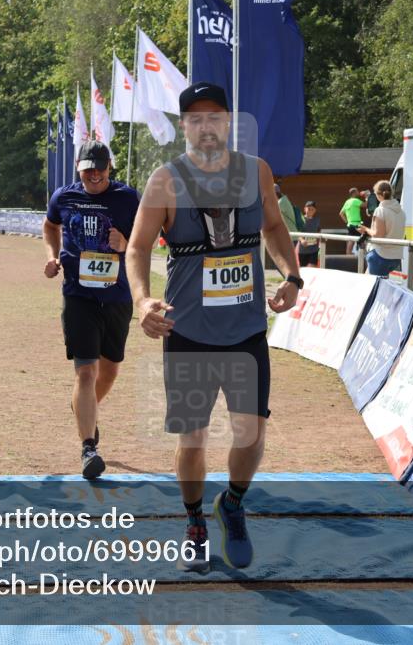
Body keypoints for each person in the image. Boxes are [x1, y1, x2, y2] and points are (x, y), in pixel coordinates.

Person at [126, 82, 301, 573]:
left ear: (228, 122)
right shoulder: (166, 181)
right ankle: (194, 522)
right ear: (185, 125)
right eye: (195, 118)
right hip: (188, 334)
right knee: (193, 440)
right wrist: (142, 302)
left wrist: (292, 276)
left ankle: (233, 502)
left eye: (214, 117)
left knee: (250, 438)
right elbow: (137, 248)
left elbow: (273, 227)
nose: (206, 126)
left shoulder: (256, 172)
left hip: (246, 331)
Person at [43, 140, 140, 480]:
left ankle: (83, 408)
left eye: (100, 167)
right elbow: (50, 226)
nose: (94, 174)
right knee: (86, 372)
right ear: (79, 169)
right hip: (78, 295)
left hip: (117, 296)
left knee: (109, 371)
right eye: (88, 168)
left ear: (109, 169)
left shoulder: (129, 198)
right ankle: (88, 447)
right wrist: (52, 256)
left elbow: (148, 239)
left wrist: (126, 243)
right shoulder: (63, 196)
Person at [358, 180, 405, 277]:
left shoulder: (380, 210)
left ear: (378, 195)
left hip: (380, 255)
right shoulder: (401, 211)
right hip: (396, 257)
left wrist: (365, 229)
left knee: (371, 287)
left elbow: (378, 235)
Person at [339, 188, 366, 255]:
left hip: (350, 225)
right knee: (363, 238)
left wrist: (347, 222)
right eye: (357, 191)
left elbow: (341, 214)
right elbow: (365, 205)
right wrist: (366, 197)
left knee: (351, 241)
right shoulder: (355, 200)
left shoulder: (347, 202)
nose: (358, 192)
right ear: (354, 193)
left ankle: (348, 258)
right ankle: (364, 257)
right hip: (357, 224)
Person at [299, 201, 321, 267]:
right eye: (309, 209)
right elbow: (298, 232)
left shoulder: (317, 220)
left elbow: (318, 231)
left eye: (312, 209)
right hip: (303, 250)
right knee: (303, 270)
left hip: (314, 250)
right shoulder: (301, 219)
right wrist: (302, 240)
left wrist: (320, 241)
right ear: (304, 209)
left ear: (315, 210)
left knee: (312, 267)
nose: (310, 211)